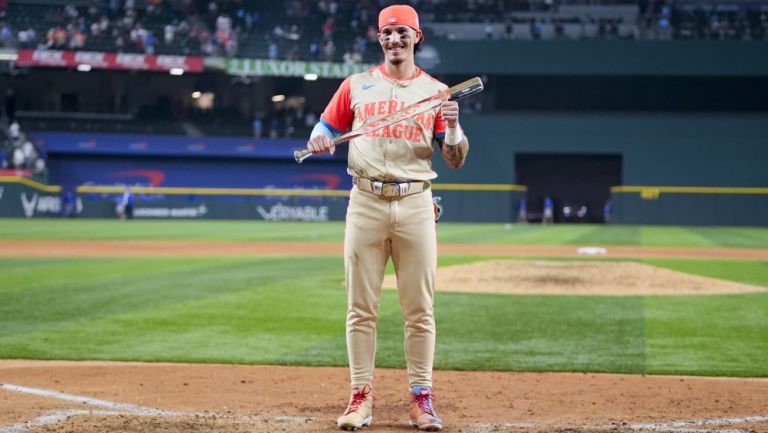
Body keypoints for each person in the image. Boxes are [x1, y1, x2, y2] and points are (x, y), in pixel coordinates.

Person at [304, 4, 469, 431]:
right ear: (380, 39)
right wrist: (320, 138)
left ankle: (422, 399)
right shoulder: (356, 85)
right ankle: (360, 398)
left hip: (415, 202)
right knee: (361, 310)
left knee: (420, 310)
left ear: (417, 37)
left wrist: (453, 129)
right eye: (387, 33)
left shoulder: (436, 92)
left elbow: (453, 160)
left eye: (402, 33)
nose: (395, 40)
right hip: (365, 201)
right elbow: (324, 128)